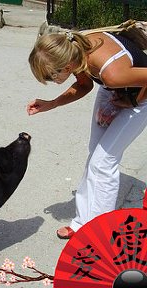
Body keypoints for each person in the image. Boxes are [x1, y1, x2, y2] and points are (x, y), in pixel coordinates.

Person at [27, 29, 147, 239]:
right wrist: (52, 103)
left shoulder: (112, 73)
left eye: (49, 77)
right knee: (95, 155)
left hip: (140, 99)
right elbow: (85, 84)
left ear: (64, 67)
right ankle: (82, 223)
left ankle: (99, 233)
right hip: (114, 90)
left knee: (103, 162)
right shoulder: (73, 50)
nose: (49, 82)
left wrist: (132, 101)